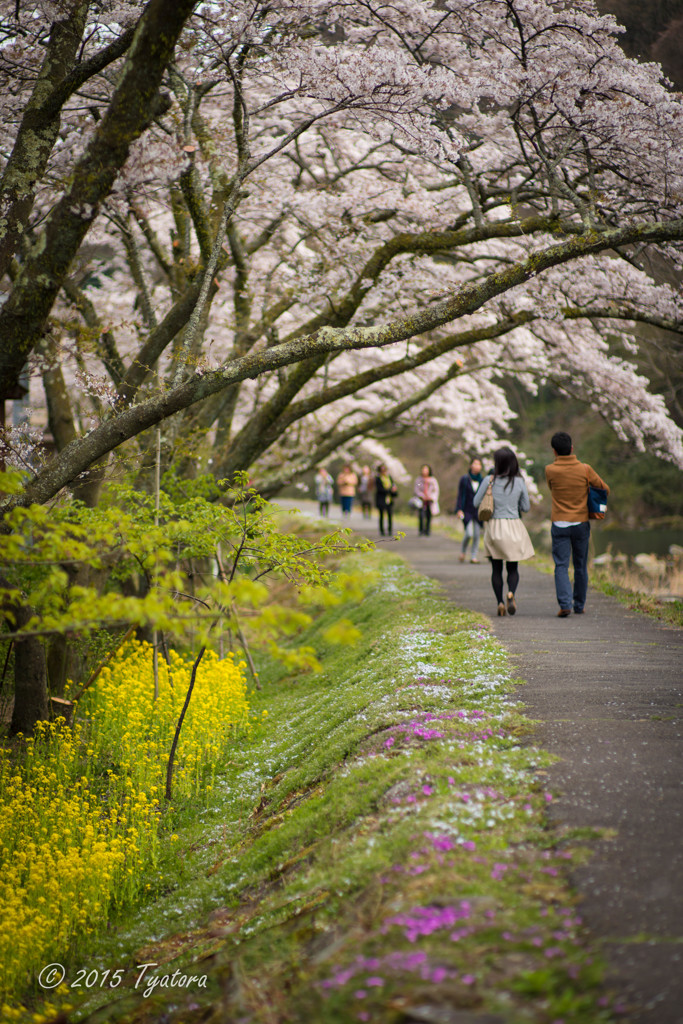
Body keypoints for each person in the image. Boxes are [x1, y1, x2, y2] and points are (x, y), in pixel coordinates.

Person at [545, 431, 610, 617]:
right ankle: (579, 605)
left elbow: (552, 489)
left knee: (561, 566)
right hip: (581, 523)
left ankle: (565, 603)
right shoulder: (585, 469)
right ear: (572, 448)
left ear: (554, 452)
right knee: (580, 565)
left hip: (559, 524)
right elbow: (604, 488)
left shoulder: (550, 470)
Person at [473, 446, 534, 616]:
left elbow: (476, 502)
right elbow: (526, 507)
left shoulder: (489, 480)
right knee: (513, 568)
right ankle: (511, 593)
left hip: (494, 528)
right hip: (514, 526)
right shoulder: (520, 482)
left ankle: (500, 602)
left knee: (496, 568)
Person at [455, 457, 483, 562]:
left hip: (478, 511)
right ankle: (463, 552)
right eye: (475, 464)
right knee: (469, 533)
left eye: (479, 464)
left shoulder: (482, 480)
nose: (477, 466)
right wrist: (459, 509)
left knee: (476, 535)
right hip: (466, 510)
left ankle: (473, 556)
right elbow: (460, 495)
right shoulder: (465, 479)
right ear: (471, 465)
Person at [413, 464, 440, 536]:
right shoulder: (419, 480)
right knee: (421, 515)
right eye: (423, 470)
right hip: (421, 500)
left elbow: (436, 490)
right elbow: (416, 488)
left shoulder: (433, 480)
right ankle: (421, 530)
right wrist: (421, 495)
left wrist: (431, 497)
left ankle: (428, 530)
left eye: (426, 470)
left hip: (430, 500)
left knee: (429, 515)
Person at [375, 463, 398, 536]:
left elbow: (393, 486)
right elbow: (380, 489)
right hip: (381, 499)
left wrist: (393, 491)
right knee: (381, 515)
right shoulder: (378, 479)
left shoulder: (389, 478)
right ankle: (382, 531)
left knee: (390, 515)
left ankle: (390, 530)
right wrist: (390, 490)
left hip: (389, 499)